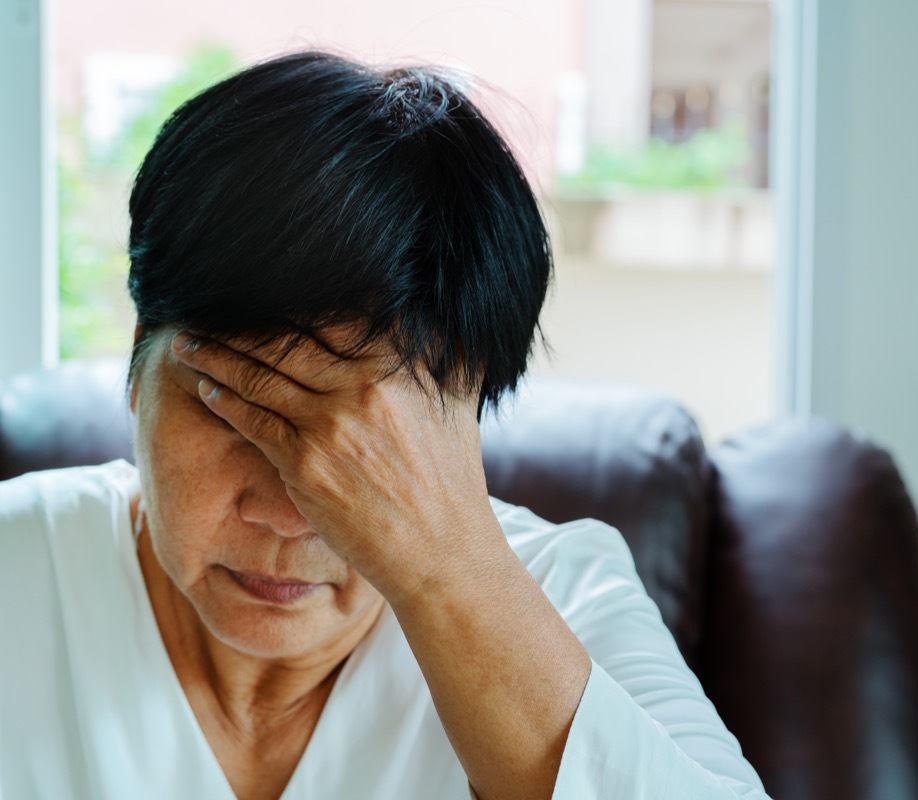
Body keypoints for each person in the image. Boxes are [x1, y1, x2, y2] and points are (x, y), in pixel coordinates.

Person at [0, 51, 770, 800]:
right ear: (138, 362)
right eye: (234, 411)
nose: (285, 511)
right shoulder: (21, 566)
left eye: (357, 445)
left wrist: (443, 573)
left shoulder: (570, 596)